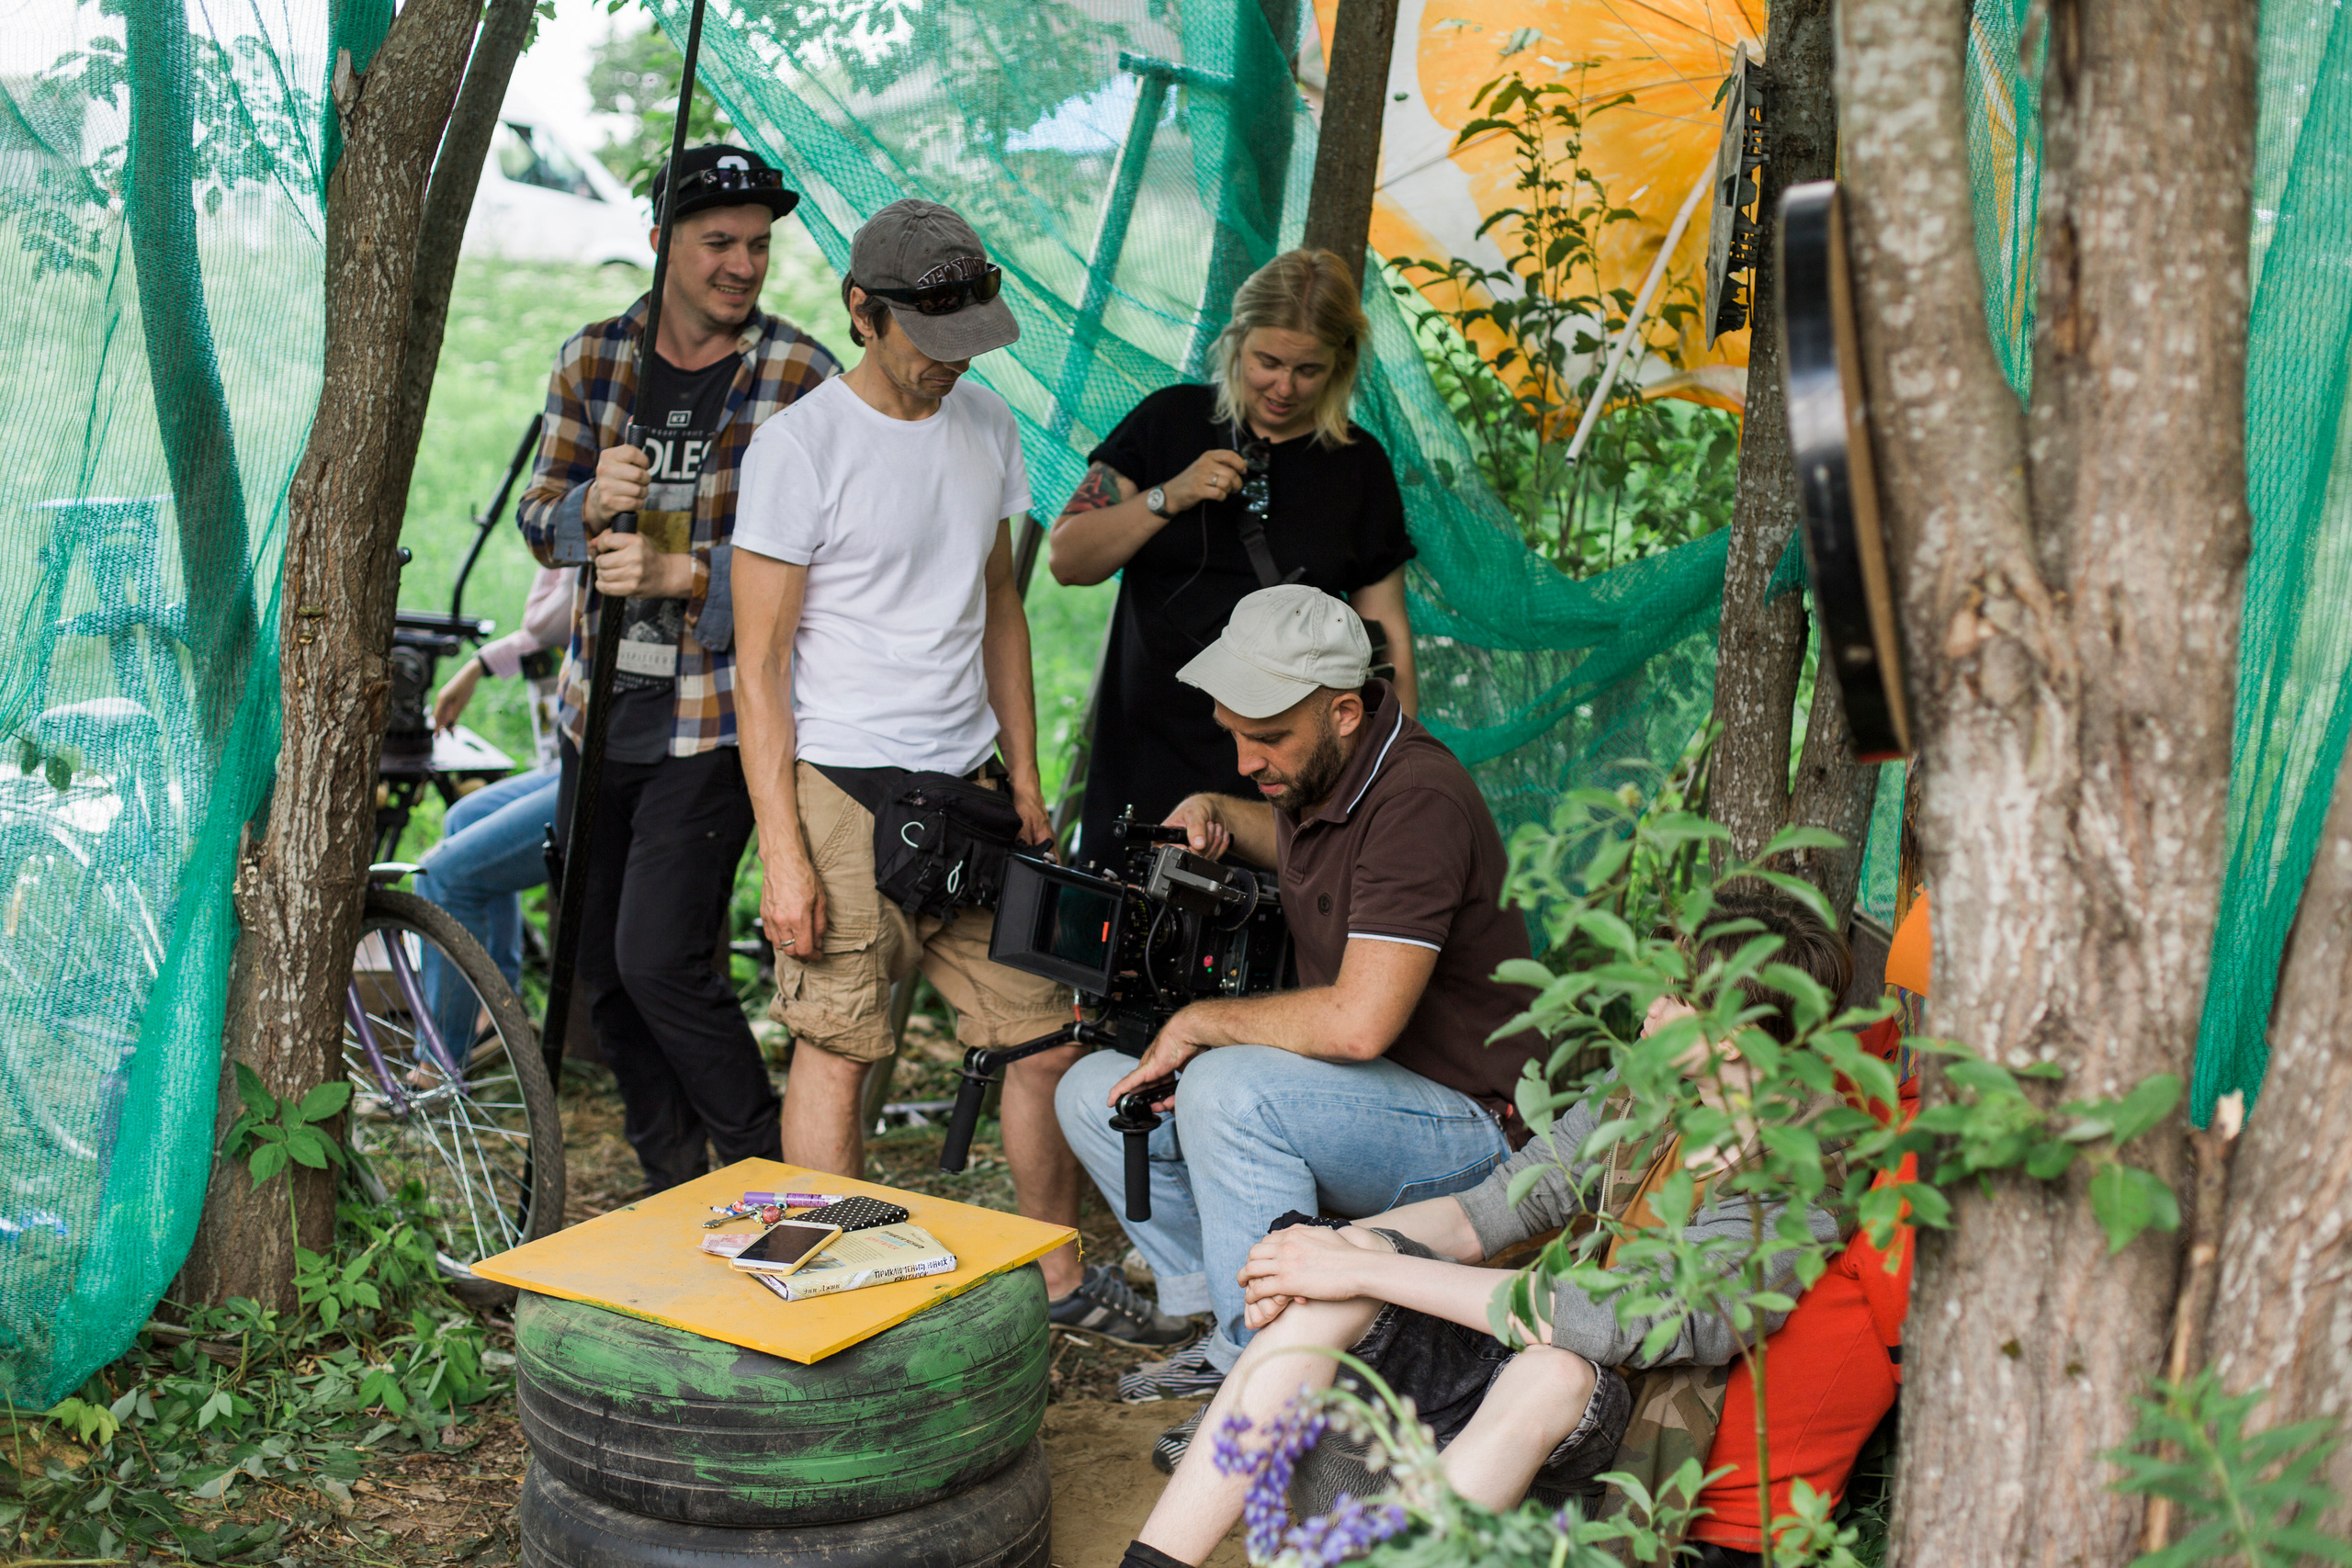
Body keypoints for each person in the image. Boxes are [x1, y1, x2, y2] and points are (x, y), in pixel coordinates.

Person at [730, 197, 1193, 1350]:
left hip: (971, 784)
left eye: (969, 341)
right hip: (843, 787)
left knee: (1044, 1038)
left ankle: (1057, 1279)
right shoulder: (799, 448)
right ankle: (826, 1291)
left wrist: (1024, 774)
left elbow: (999, 604)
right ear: (862, 312)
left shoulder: (985, 423)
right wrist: (783, 854)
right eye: (929, 341)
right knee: (839, 1043)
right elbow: (759, 668)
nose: (952, 365)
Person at [1116, 886, 1861, 1568]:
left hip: (1613, 1431)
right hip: (1521, 1341)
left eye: (1674, 995)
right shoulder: (1650, 1088)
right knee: (1338, 1274)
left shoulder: (1797, 1182)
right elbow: (1499, 1206)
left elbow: (1619, 1321)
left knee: (1549, 1369)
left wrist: (1364, 1266)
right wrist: (1330, 1250)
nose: (1652, 1007)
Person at [1055, 585, 1545, 1464]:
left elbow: (1358, 1024)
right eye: (1235, 735)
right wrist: (1214, 811)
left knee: (1224, 1084)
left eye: (1268, 738)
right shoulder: (1323, 771)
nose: (1248, 760)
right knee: (1096, 1091)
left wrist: (1203, 1022)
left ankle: (1264, 1391)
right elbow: (1277, 830)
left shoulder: (1416, 800)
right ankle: (1226, 1336)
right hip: (1372, 1107)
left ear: (1344, 712)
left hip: (1477, 1131)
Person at [518, 143, 837, 1194]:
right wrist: (587, 507)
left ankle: (770, 1178)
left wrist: (684, 572)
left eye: (758, 245)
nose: (742, 265)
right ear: (661, 243)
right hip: (600, 707)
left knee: (661, 958)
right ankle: (672, 1184)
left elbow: (824, 566)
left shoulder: (801, 378)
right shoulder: (593, 361)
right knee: (600, 971)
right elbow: (538, 519)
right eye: (717, 243)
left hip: (716, 720)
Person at [1046, 249, 1419, 868]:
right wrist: (1170, 494)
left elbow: (1388, 639)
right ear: (1237, 340)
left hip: (1281, 766)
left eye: (1308, 370)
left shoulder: (1360, 465)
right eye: (1268, 362)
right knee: (1120, 912)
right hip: (1145, 749)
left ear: (1342, 363)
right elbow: (1067, 559)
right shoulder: (1171, 419)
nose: (1284, 387)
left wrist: (1390, 773)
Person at [412, 564, 573, 1055]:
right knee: (464, 818)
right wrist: (478, 666)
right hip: (569, 761)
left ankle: (439, 1061)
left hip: (604, 773)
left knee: (442, 876)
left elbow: (547, 623)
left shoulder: (589, 535)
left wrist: (563, 544)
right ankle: (498, 1008)